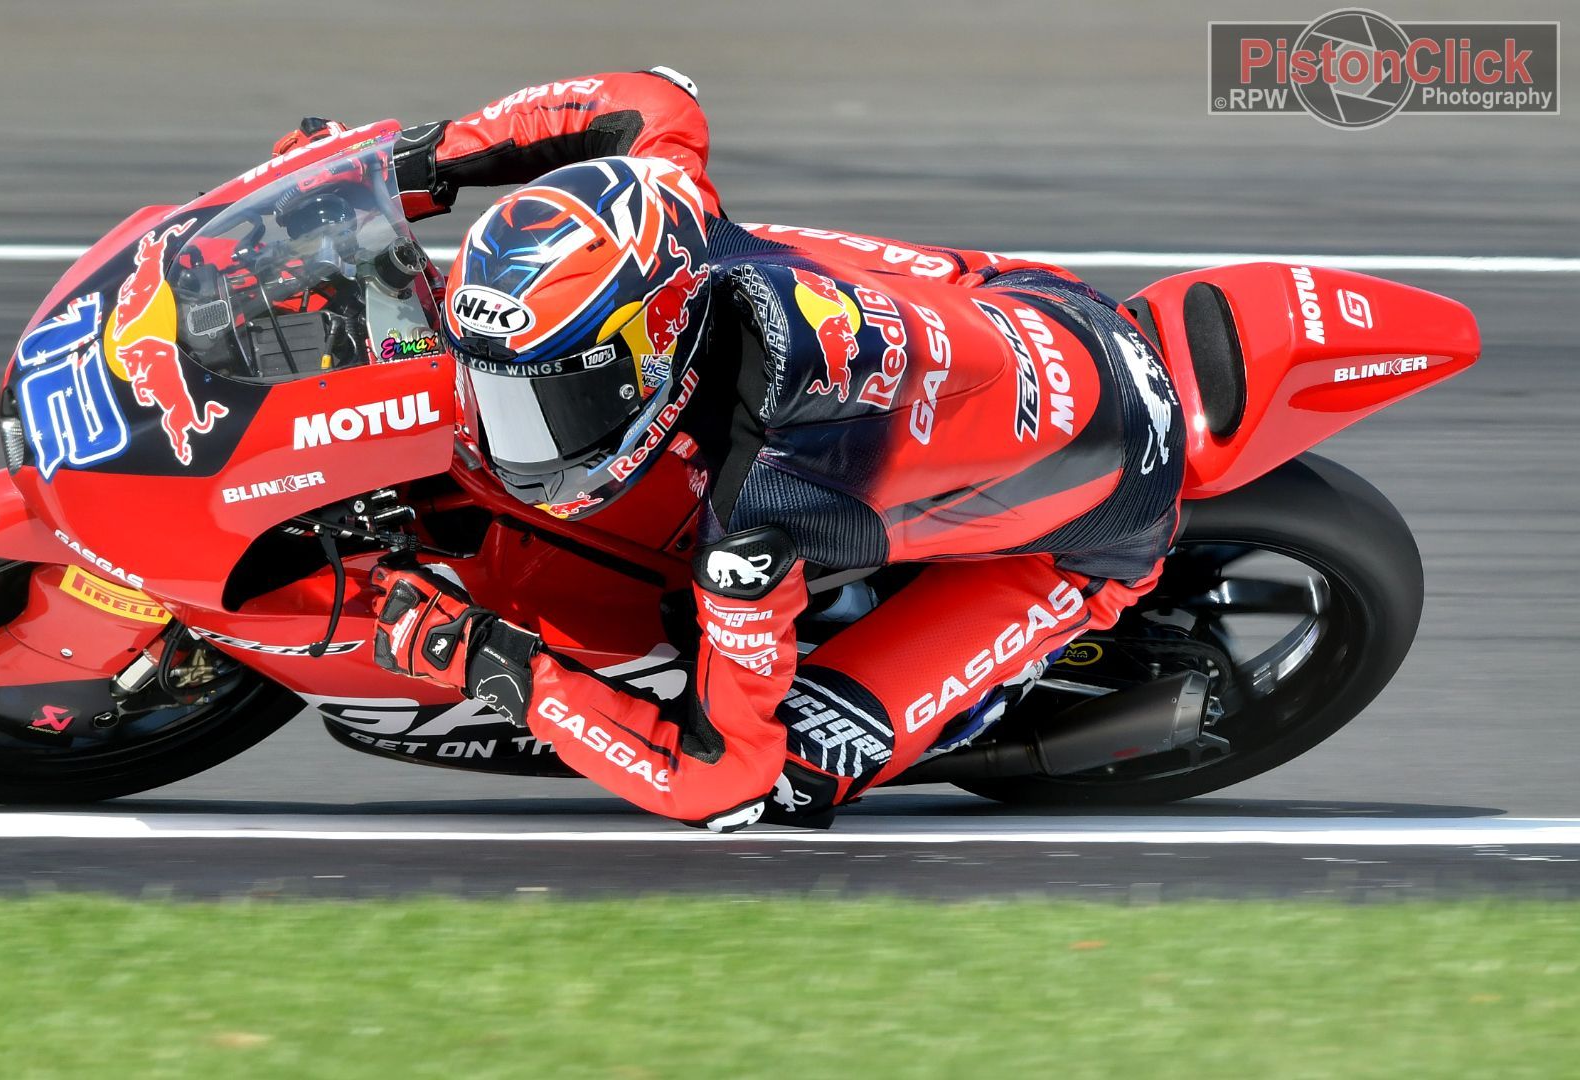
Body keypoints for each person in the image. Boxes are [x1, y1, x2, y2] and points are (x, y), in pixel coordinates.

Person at [273, 67, 1184, 831]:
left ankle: (1040, 646)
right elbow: (649, 98)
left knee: (784, 787)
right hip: (1032, 304)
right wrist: (402, 168)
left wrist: (489, 663)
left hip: (1095, 513)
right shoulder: (671, 215)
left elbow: (721, 780)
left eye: (552, 396)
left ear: (647, 353)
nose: (509, 428)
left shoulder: (755, 518)